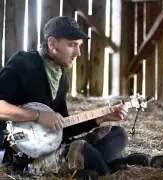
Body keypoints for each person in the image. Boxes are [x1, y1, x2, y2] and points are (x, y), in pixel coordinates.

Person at [0, 16, 149, 180]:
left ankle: (94, 169)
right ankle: (112, 167)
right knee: (85, 150)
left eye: (79, 46)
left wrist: (101, 118)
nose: (78, 53)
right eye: (72, 45)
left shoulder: (61, 78)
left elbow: (62, 127)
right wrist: (37, 115)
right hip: (16, 154)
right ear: (52, 44)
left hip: (50, 146)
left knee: (117, 134)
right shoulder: (24, 64)